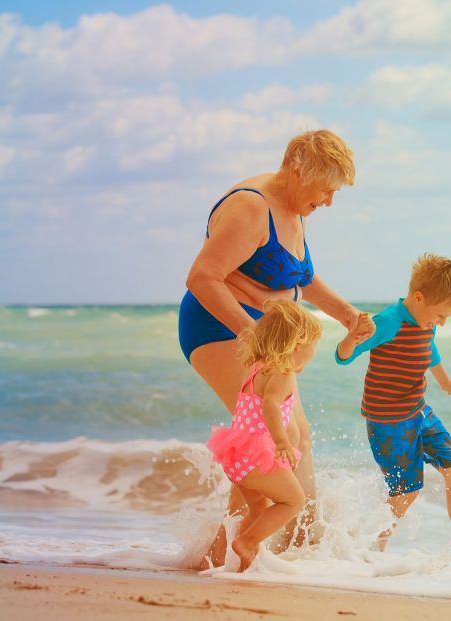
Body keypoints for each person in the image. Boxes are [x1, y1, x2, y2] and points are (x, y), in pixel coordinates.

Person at [180, 129, 375, 569]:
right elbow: (203, 277)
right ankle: (267, 547)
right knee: (271, 438)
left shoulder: (294, 207)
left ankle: (241, 551)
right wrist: (253, 334)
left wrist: (346, 314)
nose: (329, 201)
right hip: (219, 328)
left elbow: (299, 277)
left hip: (263, 339)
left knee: (291, 438)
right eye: (326, 188)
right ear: (296, 171)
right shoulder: (251, 207)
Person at [336, 254, 451, 564]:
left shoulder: (425, 321)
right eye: (441, 315)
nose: (441, 322)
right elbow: (343, 356)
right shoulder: (388, 322)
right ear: (418, 297)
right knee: (406, 493)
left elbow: (430, 350)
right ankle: (365, 548)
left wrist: (445, 382)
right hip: (387, 421)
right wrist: (351, 337)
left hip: (417, 410)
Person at [206, 301, 321, 571]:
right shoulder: (283, 372)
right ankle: (247, 543)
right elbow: (270, 405)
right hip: (256, 456)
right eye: (313, 345)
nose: (314, 353)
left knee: (259, 509)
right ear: (297, 345)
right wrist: (282, 442)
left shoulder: (259, 366)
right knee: (293, 500)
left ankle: (243, 557)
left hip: (236, 455)